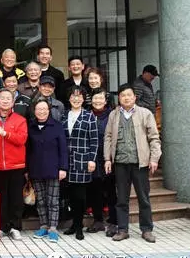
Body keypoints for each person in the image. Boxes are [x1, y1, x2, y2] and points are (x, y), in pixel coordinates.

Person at [104, 83, 161, 243]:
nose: (126, 98)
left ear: (135, 97)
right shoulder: (114, 115)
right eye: (123, 95)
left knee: (143, 198)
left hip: (140, 163)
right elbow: (108, 137)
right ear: (119, 98)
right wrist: (107, 158)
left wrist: (154, 158)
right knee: (122, 199)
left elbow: (154, 138)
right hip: (120, 163)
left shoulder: (145, 113)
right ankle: (123, 230)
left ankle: (147, 230)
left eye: (129, 95)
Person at [0, 89, 28, 241]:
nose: (5, 101)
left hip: (16, 165)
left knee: (16, 198)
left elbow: (22, 139)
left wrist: (6, 134)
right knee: (1, 198)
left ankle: (15, 227)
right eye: (2, 98)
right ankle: (2, 227)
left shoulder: (20, 120)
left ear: (13, 102)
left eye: (8, 99)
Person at [27, 99, 68, 243]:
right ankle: (44, 225)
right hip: (36, 168)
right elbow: (28, 149)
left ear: (49, 111)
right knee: (41, 200)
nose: (41, 112)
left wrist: (63, 168)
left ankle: (53, 228)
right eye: (39, 109)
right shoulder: (31, 126)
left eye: (44, 109)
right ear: (34, 111)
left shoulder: (57, 126)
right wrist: (27, 169)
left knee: (53, 200)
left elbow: (63, 149)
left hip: (53, 168)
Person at [61, 86, 98, 241]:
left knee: (80, 196)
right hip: (66, 160)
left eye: (79, 96)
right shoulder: (64, 115)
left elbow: (94, 140)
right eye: (73, 96)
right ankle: (73, 224)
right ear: (69, 98)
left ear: (83, 99)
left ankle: (79, 226)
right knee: (69, 194)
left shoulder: (89, 116)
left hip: (82, 160)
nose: (76, 99)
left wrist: (92, 159)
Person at [87, 88, 117, 235]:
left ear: (105, 101)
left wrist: (110, 157)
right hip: (92, 159)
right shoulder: (87, 115)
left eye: (100, 98)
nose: (97, 101)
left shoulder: (112, 115)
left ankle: (113, 221)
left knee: (111, 191)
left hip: (109, 159)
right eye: (95, 98)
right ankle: (98, 220)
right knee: (95, 191)